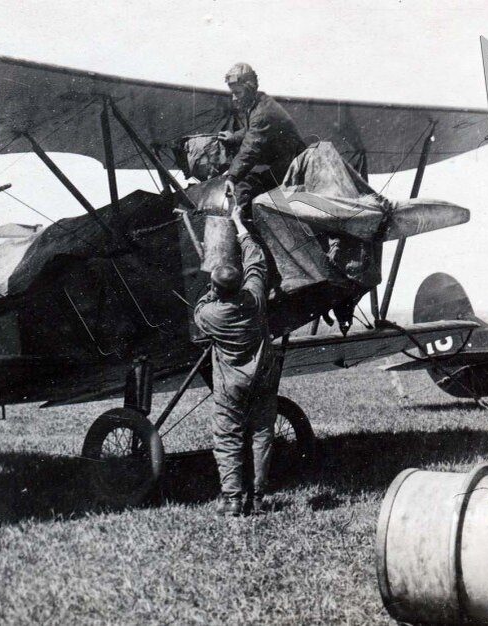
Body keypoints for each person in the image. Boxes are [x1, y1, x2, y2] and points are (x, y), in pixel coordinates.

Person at [194, 203, 280, 516]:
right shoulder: (255, 298)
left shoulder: (209, 314)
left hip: (231, 387)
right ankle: (257, 499)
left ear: (215, 288)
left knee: (227, 438)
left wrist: (212, 289)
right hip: (264, 379)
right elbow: (256, 261)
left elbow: (200, 307)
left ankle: (232, 500)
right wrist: (239, 224)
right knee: (261, 436)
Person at [218, 62, 307, 216]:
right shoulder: (259, 103)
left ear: (249, 89)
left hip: (291, 168)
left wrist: (232, 177)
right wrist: (234, 137)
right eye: (232, 93)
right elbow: (251, 130)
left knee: (242, 187)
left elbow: (250, 148)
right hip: (285, 162)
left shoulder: (262, 112)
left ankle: (236, 226)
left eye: (238, 93)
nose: (234, 98)